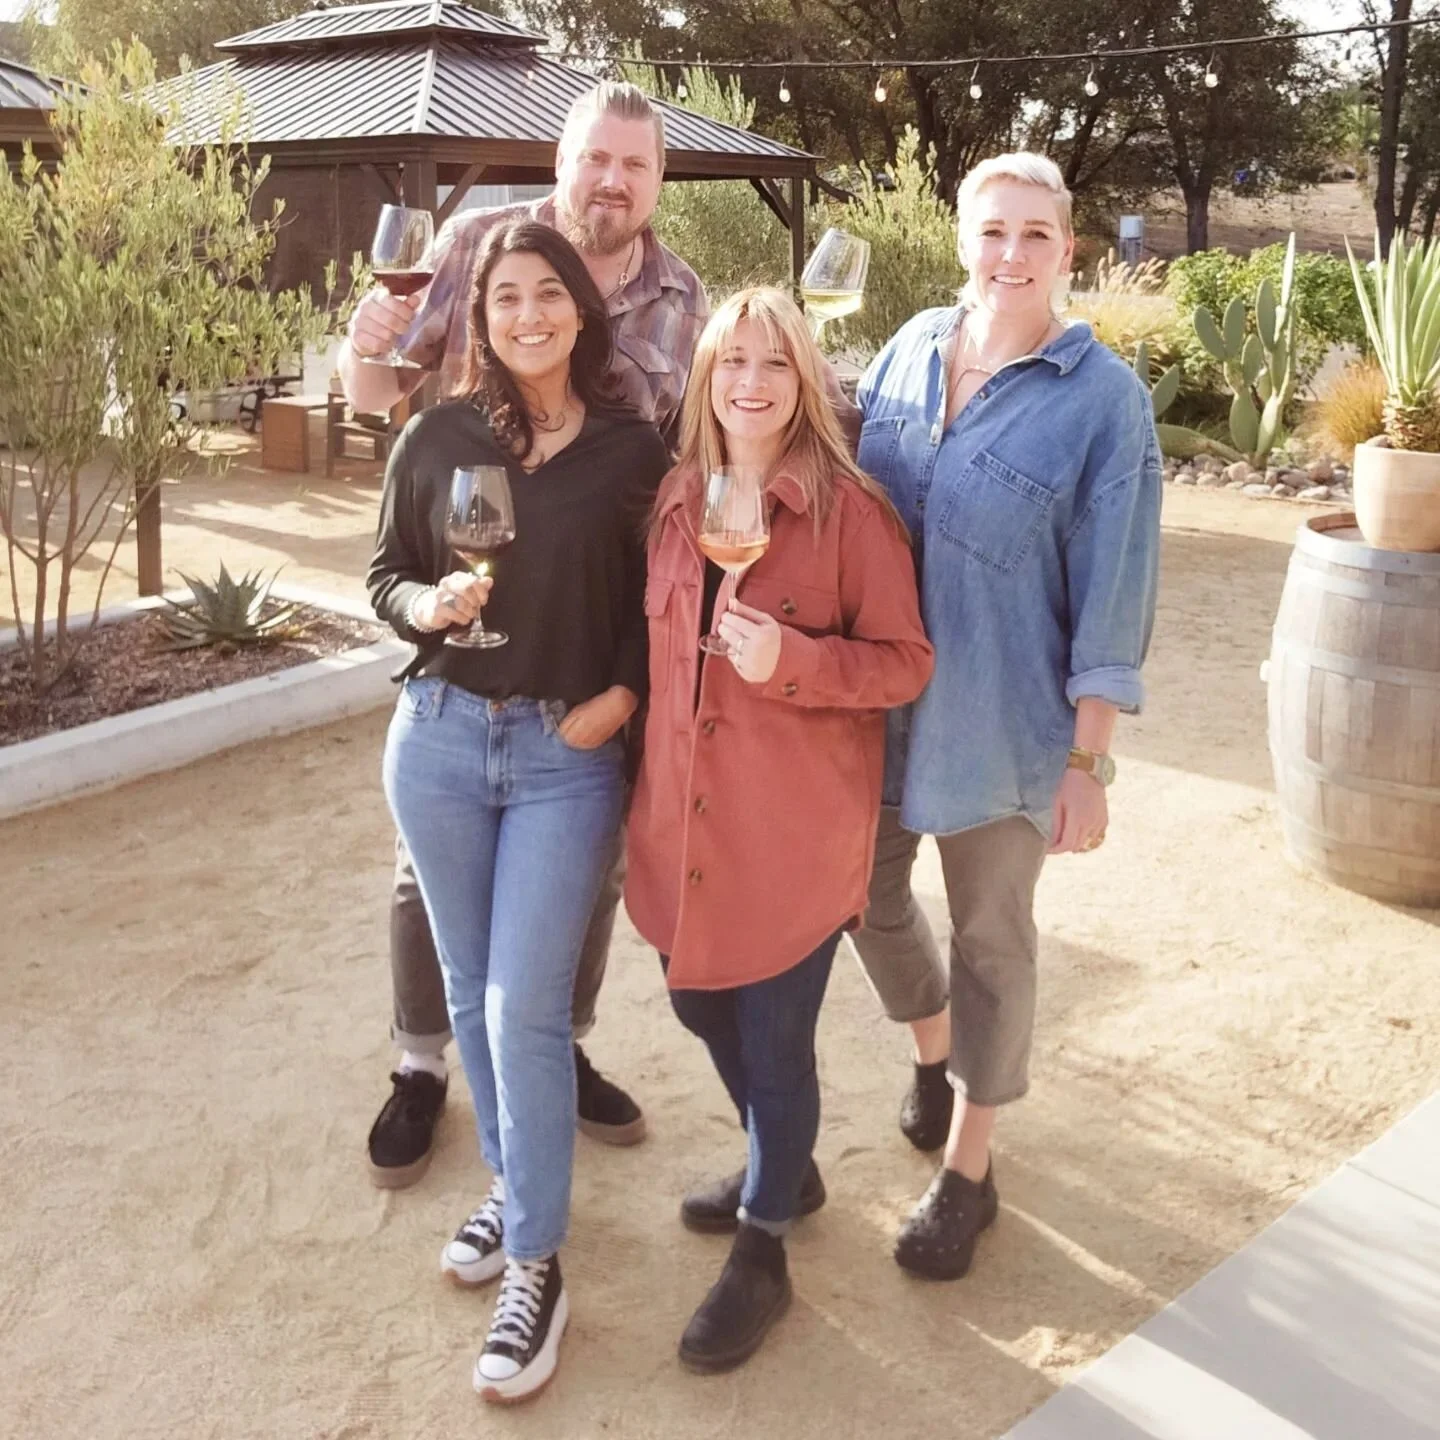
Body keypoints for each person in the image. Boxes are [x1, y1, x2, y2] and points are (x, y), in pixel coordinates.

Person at [344, 81, 708, 1185]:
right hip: (466, 621)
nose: (613, 181)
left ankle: (556, 1042)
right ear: (562, 162)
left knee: (587, 876)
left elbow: (688, 465)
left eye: (635, 165)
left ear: (658, 181)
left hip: (587, 637)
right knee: (428, 875)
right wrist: (362, 347)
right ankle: (421, 1065)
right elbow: (381, 395)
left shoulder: (682, 295)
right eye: (597, 157)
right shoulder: (473, 244)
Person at [369, 220, 670, 1402]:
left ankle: (536, 1262)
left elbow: (662, 598)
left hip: (563, 755)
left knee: (522, 1009)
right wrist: (426, 605)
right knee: (466, 993)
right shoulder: (439, 435)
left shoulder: (633, 449)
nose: (528, 314)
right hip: (439, 738)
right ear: (481, 315)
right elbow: (385, 575)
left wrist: (624, 696)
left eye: (550, 293)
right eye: (505, 297)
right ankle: (513, 1184)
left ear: (582, 311)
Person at [850, 152, 1161, 1280]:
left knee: (990, 942)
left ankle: (969, 1172)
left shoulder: (1105, 402)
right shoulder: (905, 349)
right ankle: (935, 1051)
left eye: (1036, 234)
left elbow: (1115, 593)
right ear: (961, 241)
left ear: (1068, 250)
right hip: (874, 711)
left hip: (1003, 723)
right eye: (993, 231)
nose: (1012, 254)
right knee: (860, 898)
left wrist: (1089, 762)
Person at [625, 288, 934, 1371]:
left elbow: (904, 663)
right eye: (731, 363)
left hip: (793, 839)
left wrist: (791, 660)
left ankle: (765, 1248)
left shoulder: (853, 516)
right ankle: (785, 1168)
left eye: (774, 364)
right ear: (704, 380)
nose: (750, 384)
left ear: (806, 382)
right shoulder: (677, 499)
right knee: (694, 1000)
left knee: (774, 1044)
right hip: (680, 832)